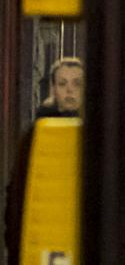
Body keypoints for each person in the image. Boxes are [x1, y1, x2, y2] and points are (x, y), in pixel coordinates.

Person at [4, 58, 84, 264]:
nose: (69, 91)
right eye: (62, 83)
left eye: (76, 84)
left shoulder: (94, 136)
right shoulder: (37, 133)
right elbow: (18, 192)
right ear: (53, 89)